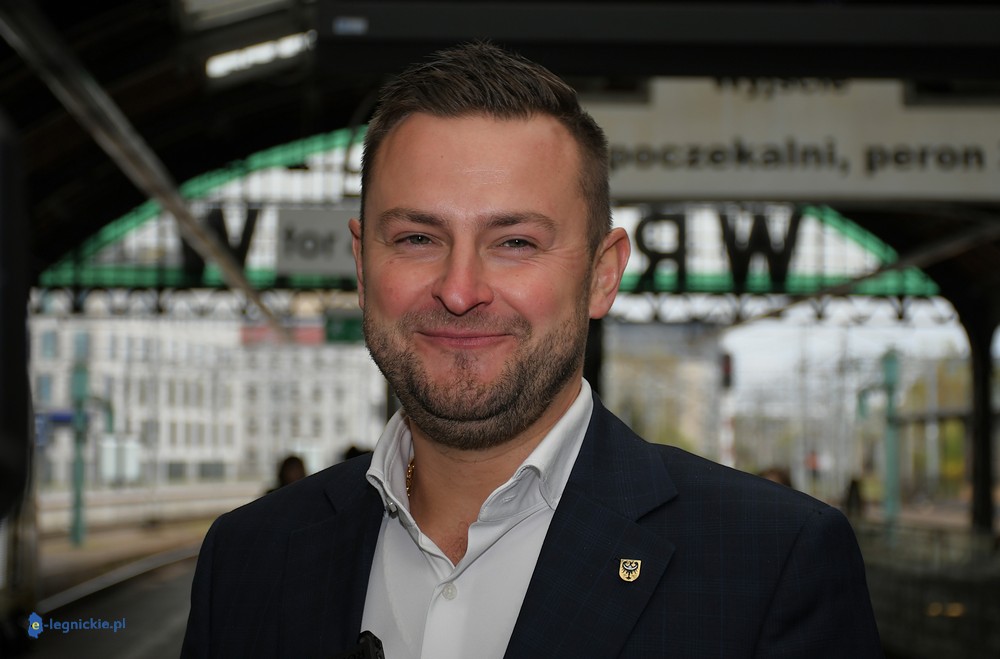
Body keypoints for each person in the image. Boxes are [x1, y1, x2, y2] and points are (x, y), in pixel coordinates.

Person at [182, 42, 883, 658]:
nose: (460, 290)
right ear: (363, 267)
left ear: (602, 274)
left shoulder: (772, 565)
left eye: (515, 242)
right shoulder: (247, 559)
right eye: (417, 238)